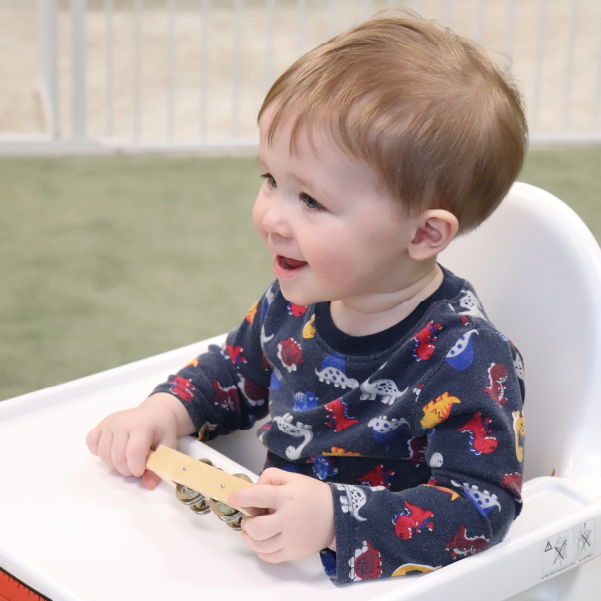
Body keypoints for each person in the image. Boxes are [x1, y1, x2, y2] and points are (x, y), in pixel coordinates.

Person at [87, 12, 527, 584]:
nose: (271, 216)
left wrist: (333, 520)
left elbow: (481, 504)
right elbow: (237, 370)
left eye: (311, 201)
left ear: (423, 235)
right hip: (264, 560)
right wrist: (164, 410)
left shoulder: (465, 356)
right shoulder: (297, 299)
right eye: (270, 179)